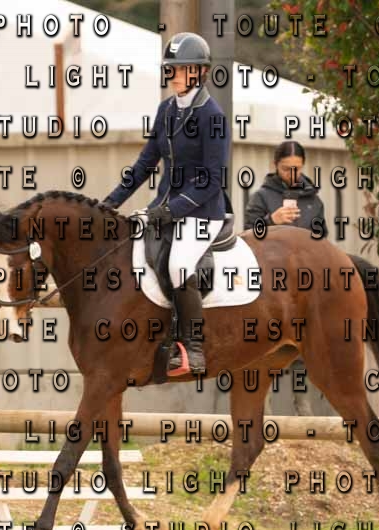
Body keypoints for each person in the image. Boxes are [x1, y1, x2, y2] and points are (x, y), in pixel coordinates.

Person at [102, 32, 230, 377]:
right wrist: (111, 202)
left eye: (181, 69)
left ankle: (194, 348)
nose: (174, 75)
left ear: (200, 72)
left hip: (202, 212)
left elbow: (211, 179)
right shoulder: (167, 110)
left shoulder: (213, 116)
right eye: (171, 69)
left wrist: (171, 210)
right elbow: (146, 163)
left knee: (179, 266)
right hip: (165, 207)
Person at [244, 141, 327, 415]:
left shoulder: (314, 201)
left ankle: (303, 406)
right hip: (269, 286)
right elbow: (246, 236)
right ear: (275, 166)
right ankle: (263, 406)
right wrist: (271, 220)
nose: (292, 174)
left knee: (303, 346)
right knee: (264, 346)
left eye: (297, 169)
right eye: (286, 168)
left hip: (303, 285)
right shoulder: (261, 197)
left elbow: (322, 242)